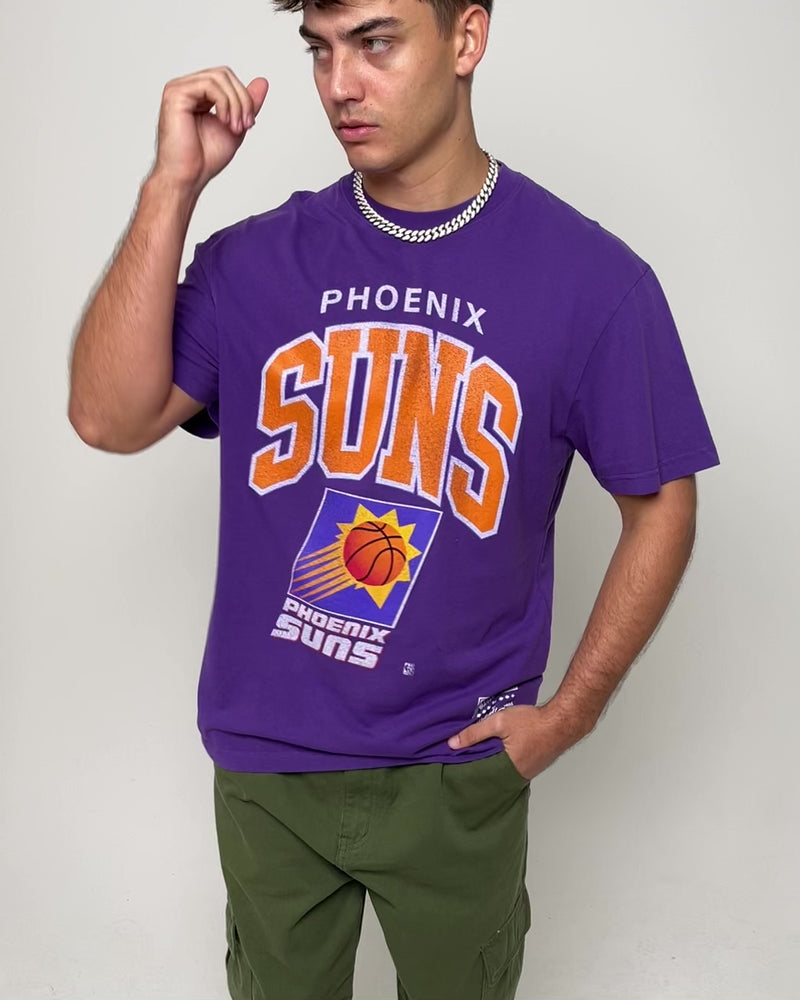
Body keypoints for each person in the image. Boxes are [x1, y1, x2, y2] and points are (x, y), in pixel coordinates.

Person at [68, 1, 720, 997]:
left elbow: (661, 502)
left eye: (375, 42)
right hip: (270, 763)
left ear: (466, 39)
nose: (340, 85)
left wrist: (568, 716)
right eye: (320, 50)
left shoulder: (591, 281)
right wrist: (172, 185)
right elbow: (107, 418)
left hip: (457, 767)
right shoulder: (254, 262)